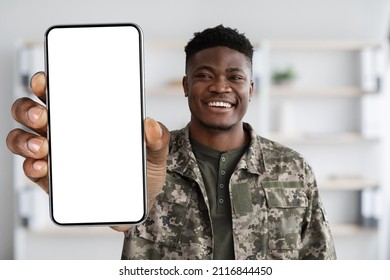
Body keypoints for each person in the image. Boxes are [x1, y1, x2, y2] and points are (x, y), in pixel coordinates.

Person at [6, 25, 336, 260]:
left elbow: (320, 259)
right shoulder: (143, 158)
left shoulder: (293, 167)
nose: (221, 87)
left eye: (235, 77)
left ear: (250, 88)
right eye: (205, 75)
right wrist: (92, 189)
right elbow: (121, 221)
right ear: (185, 85)